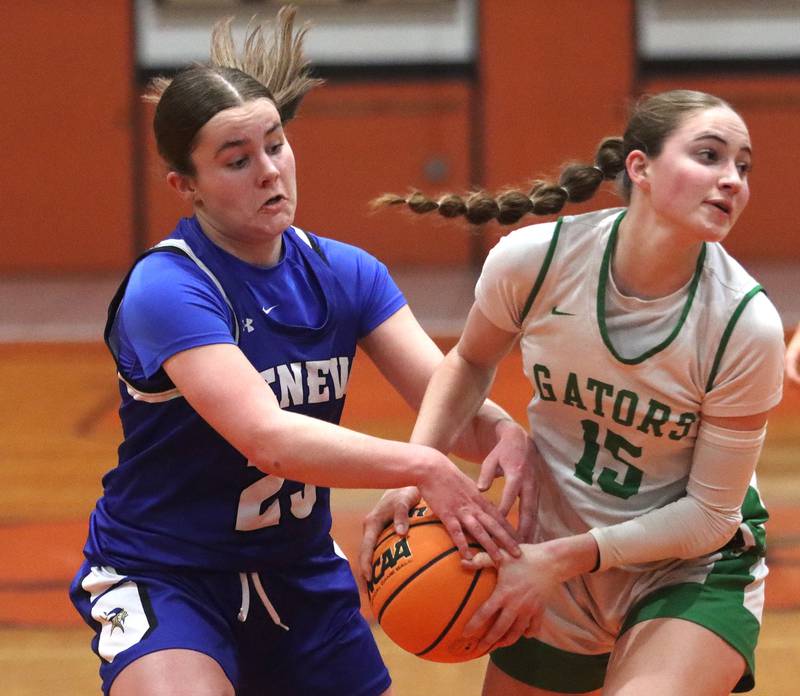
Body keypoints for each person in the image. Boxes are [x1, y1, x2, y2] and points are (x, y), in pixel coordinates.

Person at [68, 8, 535, 696]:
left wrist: (504, 431)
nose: (269, 171)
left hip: (298, 573)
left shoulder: (347, 274)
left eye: (276, 145)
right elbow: (269, 440)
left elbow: (451, 397)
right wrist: (422, 465)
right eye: (237, 160)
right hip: (167, 572)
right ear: (185, 187)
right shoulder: (168, 287)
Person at [360, 89, 786, 695]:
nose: (732, 181)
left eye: (743, 167)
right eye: (710, 156)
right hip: (554, 548)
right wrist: (417, 467)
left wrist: (560, 559)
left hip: (684, 564)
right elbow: (469, 362)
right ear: (639, 167)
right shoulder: (537, 260)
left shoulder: (745, 325)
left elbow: (710, 515)